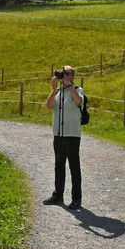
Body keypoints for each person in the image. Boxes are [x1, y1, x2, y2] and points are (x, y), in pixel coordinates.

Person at [43, 66, 87, 207]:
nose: (63, 76)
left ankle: (76, 198)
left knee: (74, 167)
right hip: (59, 134)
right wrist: (54, 88)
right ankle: (58, 195)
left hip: (72, 134)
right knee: (59, 165)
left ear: (72, 76)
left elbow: (78, 101)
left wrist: (68, 84)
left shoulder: (78, 90)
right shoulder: (58, 93)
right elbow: (49, 106)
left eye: (66, 74)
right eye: (62, 74)